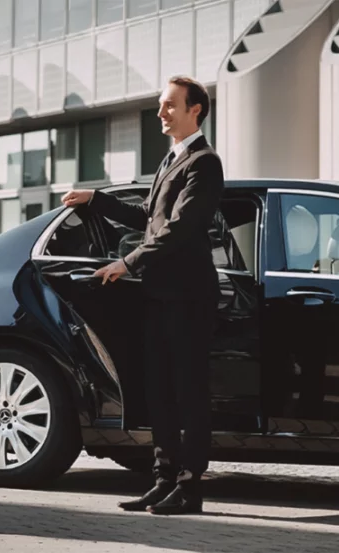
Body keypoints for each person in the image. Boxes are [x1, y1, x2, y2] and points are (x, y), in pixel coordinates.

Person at [62, 76, 224, 516]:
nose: (161, 113)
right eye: (159, 105)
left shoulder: (205, 163)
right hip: (157, 297)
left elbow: (181, 227)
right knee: (160, 395)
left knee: (188, 395)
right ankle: (163, 480)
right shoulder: (170, 161)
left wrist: (127, 263)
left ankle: (190, 490)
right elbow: (149, 218)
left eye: (170, 105)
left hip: (188, 298)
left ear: (196, 110)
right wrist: (98, 200)